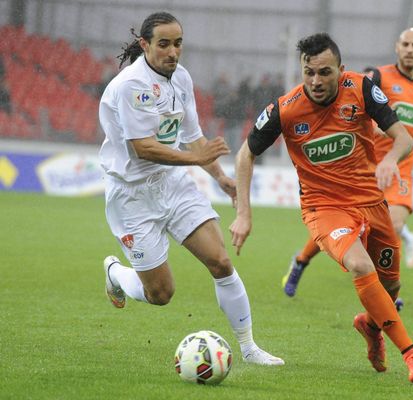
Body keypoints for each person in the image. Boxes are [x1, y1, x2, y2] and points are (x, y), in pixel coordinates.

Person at [229, 32, 413, 384]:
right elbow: (245, 154)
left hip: (371, 201)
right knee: (359, 264)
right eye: (309, 72)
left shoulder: (363, 89)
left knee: (391, 286)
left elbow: (404, 138)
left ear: (341, 69)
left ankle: (370, 325)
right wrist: (244, 214)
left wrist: (390, 161)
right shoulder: (286, 108)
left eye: (324, 72)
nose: (316, 81)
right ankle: (412, 355)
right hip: (324, 208)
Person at [98, 11, 283, 366]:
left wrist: (221, 178)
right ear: (145, 45)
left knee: (221, 261)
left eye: (178, 43)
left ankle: (248, 348)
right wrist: (196, 162)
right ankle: (116, 274)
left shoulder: (181, 78)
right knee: (161, 293)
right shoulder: (130, 86)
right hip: (132, 197)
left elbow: (192, 137)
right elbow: (143, 148)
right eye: (163, 44)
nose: (172, 52)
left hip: (173, 185)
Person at [283, 28, 413, 297]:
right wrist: (373, 127)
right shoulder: (379, 77)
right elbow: (353, 103)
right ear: (397, 47)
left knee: (394, 226)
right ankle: (301, 261)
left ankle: (385, 289)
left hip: (399, 166)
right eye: (405, 44)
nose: (410, 49)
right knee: (342, 226)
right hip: (365, 166)